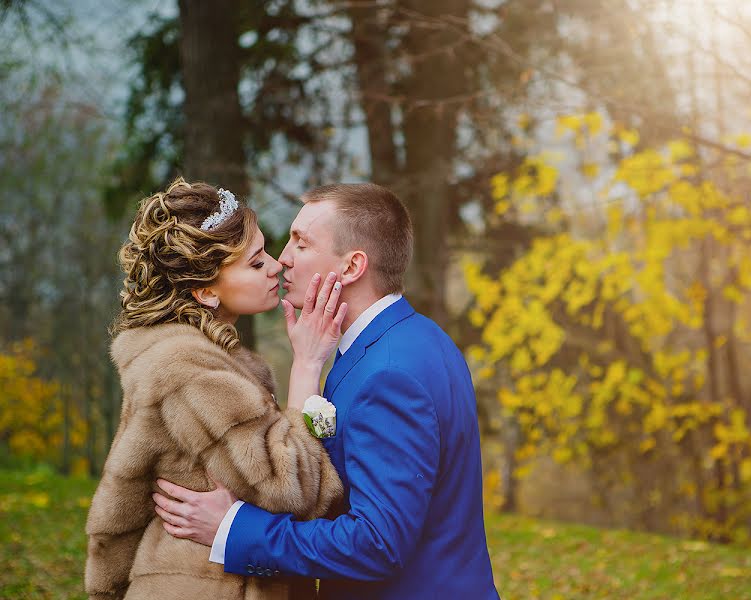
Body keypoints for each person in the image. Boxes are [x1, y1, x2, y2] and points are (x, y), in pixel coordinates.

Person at [153, 183, 500, 599]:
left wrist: (233, 528)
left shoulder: (389, 375)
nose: (282, 258)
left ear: (352, 267)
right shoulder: (412, 338)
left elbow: (377, 544)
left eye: (301, 242)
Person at [84, 178, 345, 600]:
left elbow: (122, 501)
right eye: (256, 263)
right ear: (206, 292)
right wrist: (308, 366)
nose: (277, 266)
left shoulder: (192, 359)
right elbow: (295, 491)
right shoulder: (189, 370)